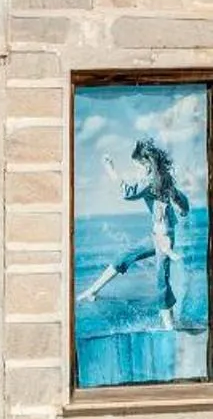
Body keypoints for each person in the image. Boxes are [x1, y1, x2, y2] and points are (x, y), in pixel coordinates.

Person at [80, 136, 192, 334]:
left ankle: (169, 326)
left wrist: (111, 169)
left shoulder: (150, 182)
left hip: (163, 237)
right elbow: (180, 197)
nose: (137, 171)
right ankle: (92, 291)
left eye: (138, 167)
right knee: (125, 256)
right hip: (156, 236)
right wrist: (184, 208)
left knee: (161, 279)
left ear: (147, 164)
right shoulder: (162, 179)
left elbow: (128, 192)